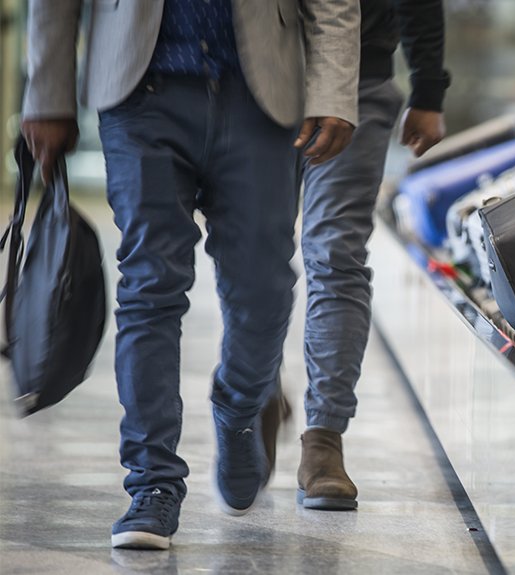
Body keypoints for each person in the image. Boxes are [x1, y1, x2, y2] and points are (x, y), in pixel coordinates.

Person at [20, 0, 360, 550]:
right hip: (140, 91)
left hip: (262, 93)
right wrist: (48, 92)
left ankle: (240, 404)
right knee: (150, 284)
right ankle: (152, 484)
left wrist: (334, 89)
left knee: (264, 288)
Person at [261, 0, 450, 511]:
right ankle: (255, 387)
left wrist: (429, 88)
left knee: (335, 254)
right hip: (256, 76)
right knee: (255, 253)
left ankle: (323, 439)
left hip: (360, 77)